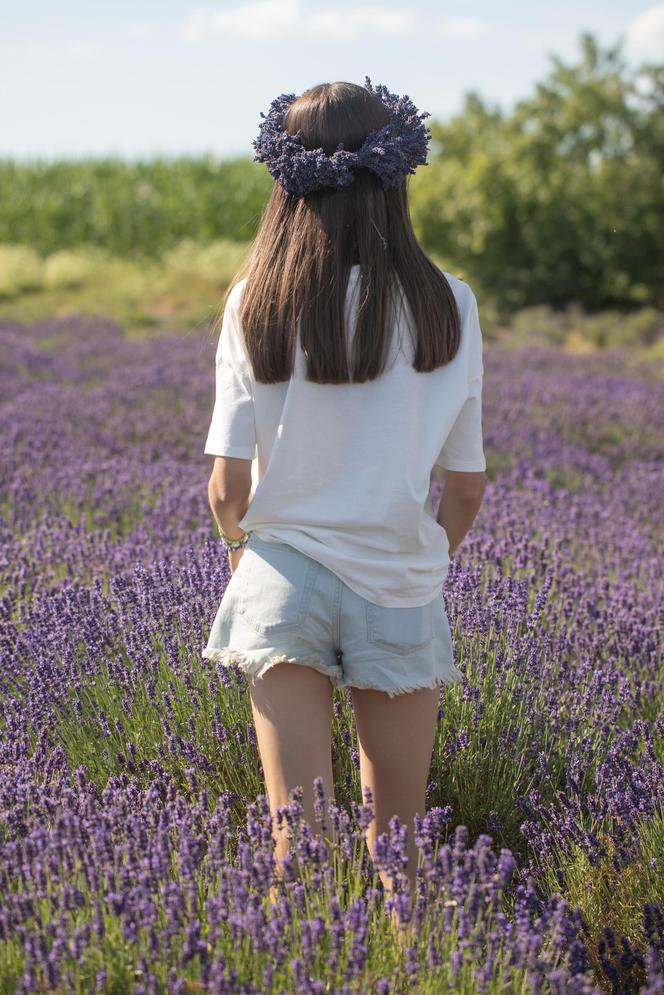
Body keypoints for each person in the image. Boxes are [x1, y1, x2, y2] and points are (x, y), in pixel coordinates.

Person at [201, 78, 487, 927]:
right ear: (394, 175)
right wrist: (421, 554)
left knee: (301, 845)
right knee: (398, 845)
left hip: (281, 576)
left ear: (286, 181)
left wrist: (247, 561)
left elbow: (225, 485)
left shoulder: (254, 298)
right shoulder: (448, 304)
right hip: (398, 581)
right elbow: (465, 486)